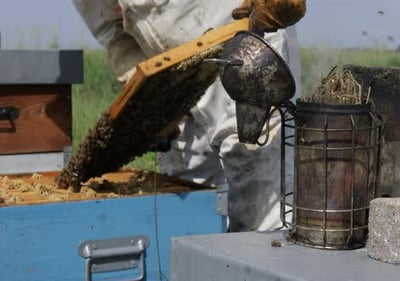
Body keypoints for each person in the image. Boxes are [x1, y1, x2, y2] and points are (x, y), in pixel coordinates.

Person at [73, 0, 306, 232]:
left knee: (259, 189)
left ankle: (261, 263)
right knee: (190, 205)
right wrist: (148, 92)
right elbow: (110, 28)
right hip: (177, 79)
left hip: (245, 48)